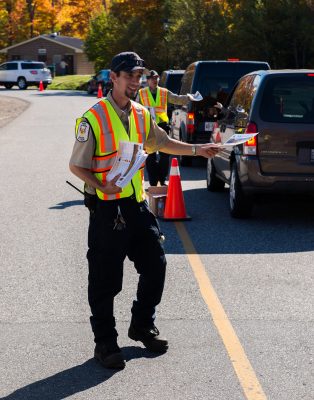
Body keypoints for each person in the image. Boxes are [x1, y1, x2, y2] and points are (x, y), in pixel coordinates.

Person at [69, 51, 221, 370]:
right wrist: (101, 187)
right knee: (105, 280)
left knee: (156, 265)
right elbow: (77, 165)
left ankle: (141, 325)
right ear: (113, 78)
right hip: (107, 210)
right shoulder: (93, 118)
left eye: (139, 77)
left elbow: (162, 141)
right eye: (130, 77)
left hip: (136, 206)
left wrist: (197, 149)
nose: (136, 82)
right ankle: (105, 343)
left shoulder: (141, 113)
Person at [137, 70, 199, 186]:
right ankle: (153, 181)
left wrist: (189, 97)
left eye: (156, 78)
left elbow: (177, 98)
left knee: (165, 154)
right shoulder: (141, 93)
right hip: (148, 126)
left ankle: (162, 178)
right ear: (148, 80)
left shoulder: (163, 92)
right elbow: (135, 108)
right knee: (149, 154)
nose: (155, 80)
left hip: (162, 125)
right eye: (152, 78)